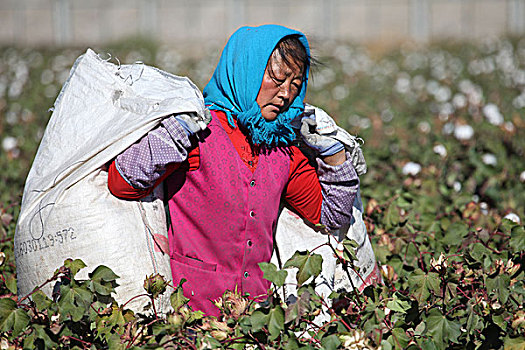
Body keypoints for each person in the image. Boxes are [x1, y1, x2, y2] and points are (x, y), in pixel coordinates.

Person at [107, 24, 359, 316]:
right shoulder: (198, 133)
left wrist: (335, 155)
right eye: (277, 79)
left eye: (295, 84)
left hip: (256, 319)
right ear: (245, 71)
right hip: (190, 315)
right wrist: (174, 132)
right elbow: (122, 183)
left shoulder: (283, 149)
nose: (286, 94)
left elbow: (331, 217)